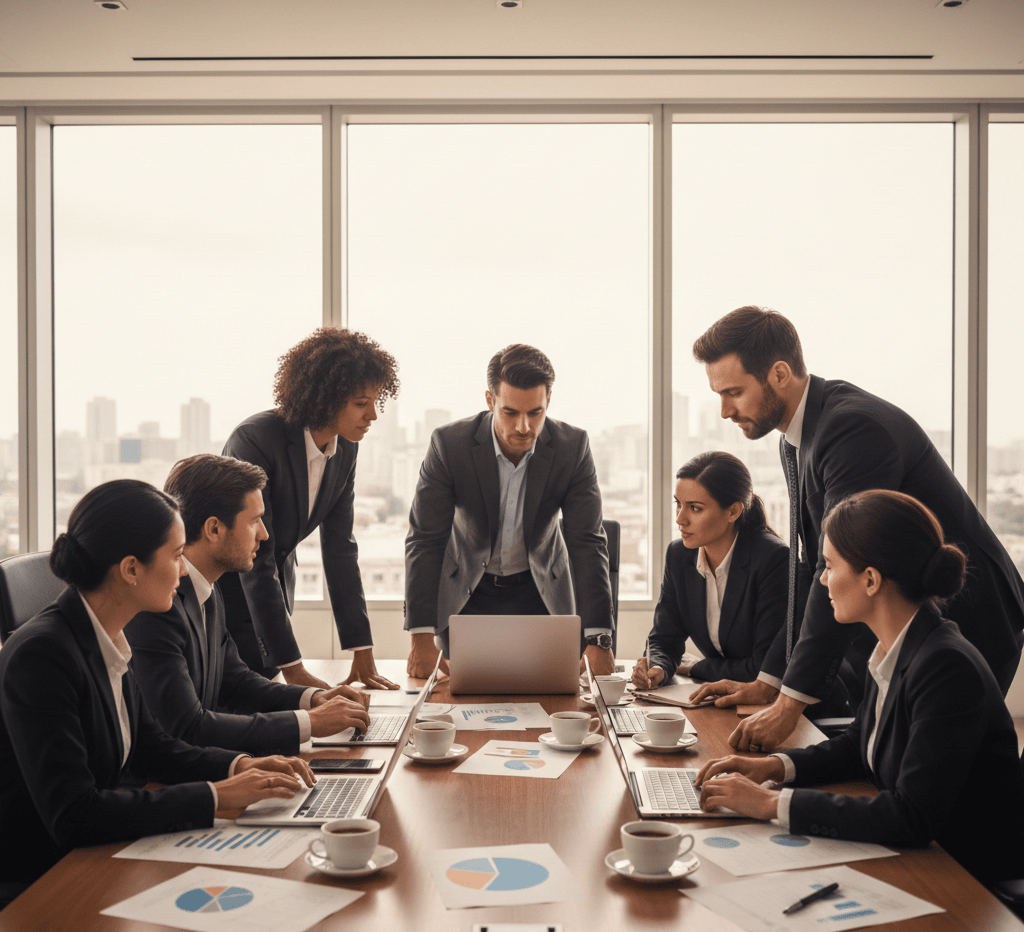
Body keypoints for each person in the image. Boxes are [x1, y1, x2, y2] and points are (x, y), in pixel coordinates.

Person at [689, 305, 1024, 752]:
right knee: (881, 766)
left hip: (964, 620)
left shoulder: (850, 429)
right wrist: (769, 681)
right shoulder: (801, 434)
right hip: (906, 624)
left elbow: (845, 563)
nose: (726, 410)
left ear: (780, 374)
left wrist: (789, 703)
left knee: (937, 792)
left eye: (733, 392)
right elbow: (814, 569)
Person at [695, 490, 1024, 887]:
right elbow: (858, 745)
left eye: (830, 566)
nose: (822, 579)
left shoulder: (945, 666)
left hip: (966, 874)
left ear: (870, 580)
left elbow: (912, 816)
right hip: (920, 856)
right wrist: (776, 767)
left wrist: (769, 803)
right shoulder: (895, 643)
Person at [0, 480, 313, 893]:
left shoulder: (107, 635)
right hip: (45, 881)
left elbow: (153, 748)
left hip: (99, 855)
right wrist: (217, 795)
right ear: (131, 569)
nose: (184, 571)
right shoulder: (42, 656)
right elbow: (76, 813)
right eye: (178, 555)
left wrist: (238, 766)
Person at [126, 454, 372, 757]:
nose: (265, 534)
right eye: (254, 521)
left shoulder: (208, 590)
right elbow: (186, 728)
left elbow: (236, 681)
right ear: (214, 529)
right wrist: (308, 723)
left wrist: (315, 698)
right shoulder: (158, 605)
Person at [404, 343, 616, 678]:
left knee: (553, 705)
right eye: (510, 413)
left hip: (539, 592)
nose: (524, 427)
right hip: (468, 595)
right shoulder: (450, 444)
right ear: (490, 401)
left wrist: (600, 640)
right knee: (461, 707)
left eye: (535, 413)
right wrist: (420, 636)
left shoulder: (572, 447)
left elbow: (587, 542)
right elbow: (425, 539)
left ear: (548, 402)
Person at [221, 327, 401, 690]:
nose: (373, 416)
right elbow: (259, 556)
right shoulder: (256, 440)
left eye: (376, 403)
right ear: (326, 397)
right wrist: (293, 666)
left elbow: (340, 547)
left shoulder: (346, 449)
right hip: (227, 597)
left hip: (274, 594)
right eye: (361, 403)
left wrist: (361, 649)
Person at [632, 451, 787, 688]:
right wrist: (659, 668)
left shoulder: (773, 560)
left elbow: (764, 669)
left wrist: (697, 667)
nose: (680, 519)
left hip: (777, 704)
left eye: (695, 508)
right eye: (678, 505)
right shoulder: (679, 555)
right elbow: (665, 636)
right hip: (724, 697)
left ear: (733, 511)